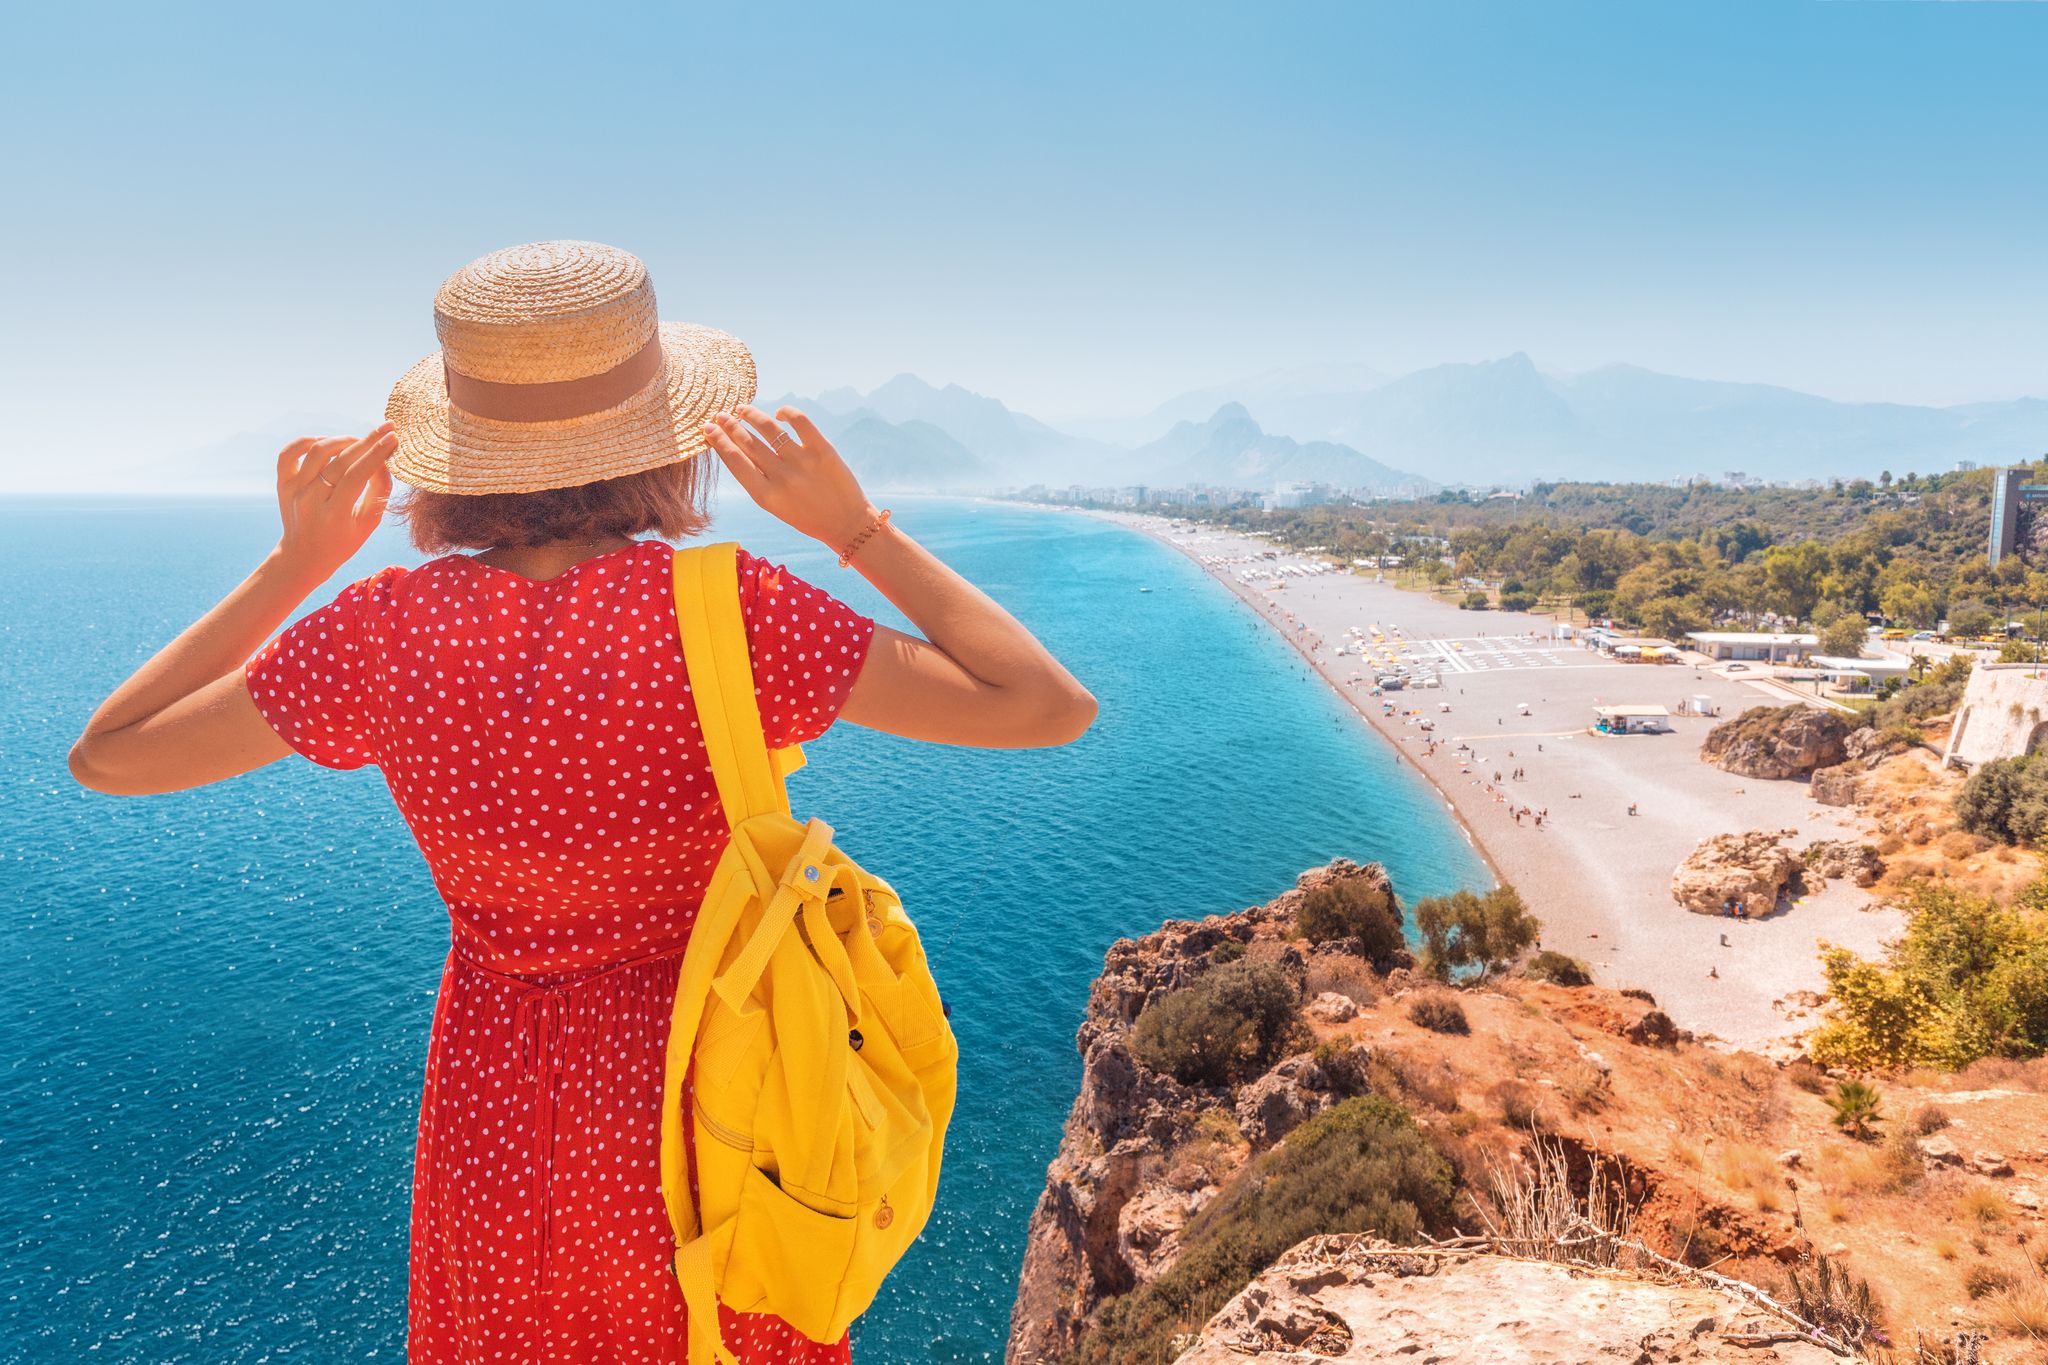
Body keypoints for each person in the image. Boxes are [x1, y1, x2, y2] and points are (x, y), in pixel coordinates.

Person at [66, 242, 1097, 1364]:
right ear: (662, 442)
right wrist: (856, 530)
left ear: (455, 455)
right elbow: (1041, 705)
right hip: (716, 1097)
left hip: (493, 1103)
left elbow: (109, 756)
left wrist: (291, 565)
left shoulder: (378, 632)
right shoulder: (726, 611)